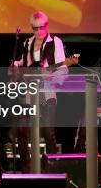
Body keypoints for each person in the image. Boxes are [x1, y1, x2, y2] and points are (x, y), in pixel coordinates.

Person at [12, 11, 68, 172]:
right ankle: (27, 168)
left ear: (47, 26)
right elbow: (25, 62)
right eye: (34, 28)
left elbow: (62, 67)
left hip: (47, 93)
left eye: (41, 28)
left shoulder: (55, 42)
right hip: (30, 93)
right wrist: (16, 64)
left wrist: (53, 78)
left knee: (48, 133)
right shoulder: (27, 43)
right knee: (23, 131)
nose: (38, 31)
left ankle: (52, 170)